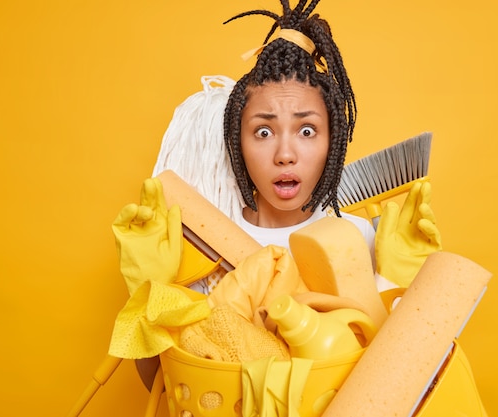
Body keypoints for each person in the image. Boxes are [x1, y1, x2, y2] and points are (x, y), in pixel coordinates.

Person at [113, 0, 441, 390]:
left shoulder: (362, 238)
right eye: (264, 132)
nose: (285, 155)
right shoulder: (202, 248)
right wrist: (149, 288)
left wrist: (402, 286)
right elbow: (163, 386)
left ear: (332, 140)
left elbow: (402, 387)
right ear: (238, 142)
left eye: (306, 131)